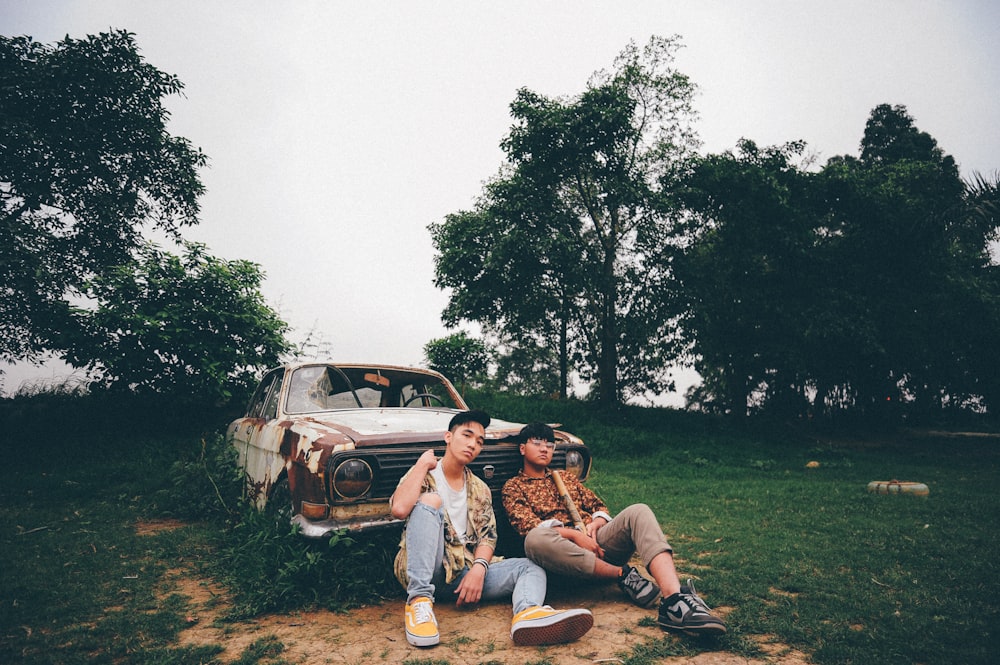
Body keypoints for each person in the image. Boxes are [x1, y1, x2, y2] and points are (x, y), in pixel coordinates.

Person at [389, 410, 594, 648]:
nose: (472, 445)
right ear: (448, 437)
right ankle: (419, 603)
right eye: (467, 435)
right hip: (425, 570)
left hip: (462, 575)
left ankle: (528, 613)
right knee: (430, 501)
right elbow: (400, 509)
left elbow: (488, 536)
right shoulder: (426, 474)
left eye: (479, 441)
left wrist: (478, 569)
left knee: (529, 566)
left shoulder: (480, 488)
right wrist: (422, 464)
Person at [501, 422, 727, 637]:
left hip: (597, 546)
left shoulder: (566, 479)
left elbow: (598, 507)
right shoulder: (513, 487)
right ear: (522, 448)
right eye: (537, 442)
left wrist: (596, 524)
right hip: (561, 562)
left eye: (550, 444)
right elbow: (527, 526)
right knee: (534, 539)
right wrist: (575, 536)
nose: (545, 449)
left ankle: (674, 601)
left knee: (639, 510)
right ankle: (622, 575)